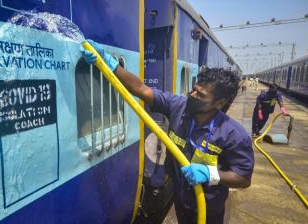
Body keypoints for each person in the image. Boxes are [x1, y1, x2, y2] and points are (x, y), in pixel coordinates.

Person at [80, 40, 254, 224]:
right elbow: (141, 89)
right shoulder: (179, 107)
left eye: (201, 95)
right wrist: (110, 64)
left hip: (208, 210)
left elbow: (243, 179)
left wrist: (210, 174)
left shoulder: (234, 135)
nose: (192, 95)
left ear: (220, 103)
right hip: (180, 200)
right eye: (194, 90)